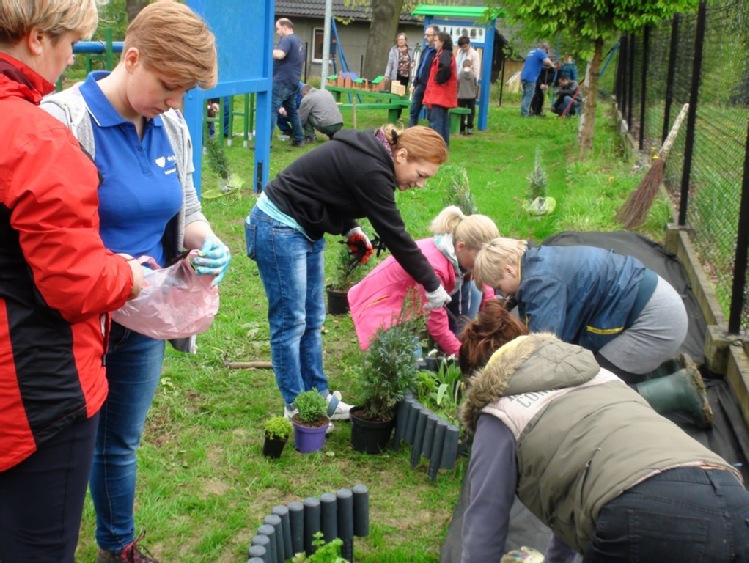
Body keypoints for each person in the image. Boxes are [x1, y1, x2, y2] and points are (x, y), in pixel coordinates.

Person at [42, 2, 231, 561]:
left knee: (120, 441)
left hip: (143, 317)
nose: (177, 104)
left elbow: (187, 205)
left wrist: (204, 240)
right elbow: (49, 239)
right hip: (79, 320)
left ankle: (116, 547)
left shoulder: (169, 124)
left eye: (185, 94)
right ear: (131, 58)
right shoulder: (64, 120)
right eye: (170, 87)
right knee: (64, 445)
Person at [0, 1, 144, 561]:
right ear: (37, 39)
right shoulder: (35, 138)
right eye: (70, 45)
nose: (69, 60)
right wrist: (127, 274)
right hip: (36, 394)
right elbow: (75, 285)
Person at [459, 332, 749, 562]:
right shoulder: (604, 378)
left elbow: (485, 526)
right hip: (731, 493)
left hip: (645, 510)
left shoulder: (500, 410)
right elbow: (583, 492)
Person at [245, 124, 451, 426]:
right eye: (420, 175)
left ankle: (318, 395)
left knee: (313, 319)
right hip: (278, 225)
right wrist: (432, 284)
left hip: (305, 227)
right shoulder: (373, 169)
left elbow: (333, 185)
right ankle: (296, 404)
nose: (420, 184)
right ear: (402, 155)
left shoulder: (373, 157)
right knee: (290, 322)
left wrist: (351, 226)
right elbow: (395, 235)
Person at [348, 206, 499, 356]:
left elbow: (485, 285)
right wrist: (467, 358)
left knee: (474, 288)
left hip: (412, 302)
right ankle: (458, 349)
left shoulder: (456, 249)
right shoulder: (433, 268)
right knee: (412, 357)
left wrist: (496, 326)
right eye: (481, 259)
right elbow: (437, 326)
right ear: (461, 247)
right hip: (381, 308)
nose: (482, 264)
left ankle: (460, 341)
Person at [271, 18, 305, 147]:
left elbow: (280, 54)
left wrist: (265, 51)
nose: (277, 32)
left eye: (278, 29)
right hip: (294, 82)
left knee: (271, 110)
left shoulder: (287, 39)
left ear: (285, 27)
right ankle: (298, 138)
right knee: (291, 112)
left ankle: (265, 143)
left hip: (282, 81)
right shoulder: (298, 41)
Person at [424, 31, 457, 147]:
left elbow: (445, 68)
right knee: (442, 123)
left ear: (442, 42)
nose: (434, 43)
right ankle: (443, 146)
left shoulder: (445, 55)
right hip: (440, 95)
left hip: (439, 95)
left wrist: (439, 80)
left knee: (436, 123)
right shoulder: (444, 54)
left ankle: (436, 147)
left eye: (436, 40)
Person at [408, 24, 438, 127]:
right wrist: (415, 83)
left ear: (435, 36)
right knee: (414, 111)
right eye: (425, 35)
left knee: (430, 115)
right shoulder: (425, 50)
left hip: (430, 87)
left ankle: (429, 137)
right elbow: (420, 67)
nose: (425, 37)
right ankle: (410, 134)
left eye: (428, 35)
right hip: (420, 85)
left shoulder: (437, 52)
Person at [519, 41, 552, 117]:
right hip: (531, 77)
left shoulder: (531, 52)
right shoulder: (540, 52)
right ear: (545, 48)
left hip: (524, 75)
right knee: (529, 96)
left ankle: (524, 111)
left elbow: (531, 63)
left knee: (525, 95)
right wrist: (552, 65)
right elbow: (547, 61)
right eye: (546, 51)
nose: (546, 52)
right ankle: (525, 113)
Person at [456, 59, 478, 135]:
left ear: (463, 66)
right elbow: (475, 84)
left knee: (462, 113)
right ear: (470, 66)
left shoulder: (460, 74)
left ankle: (461, 128)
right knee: (471, 113)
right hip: (471, 96)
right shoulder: (473, 75)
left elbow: (457, 83)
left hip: (461, 96)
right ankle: (470, 128)